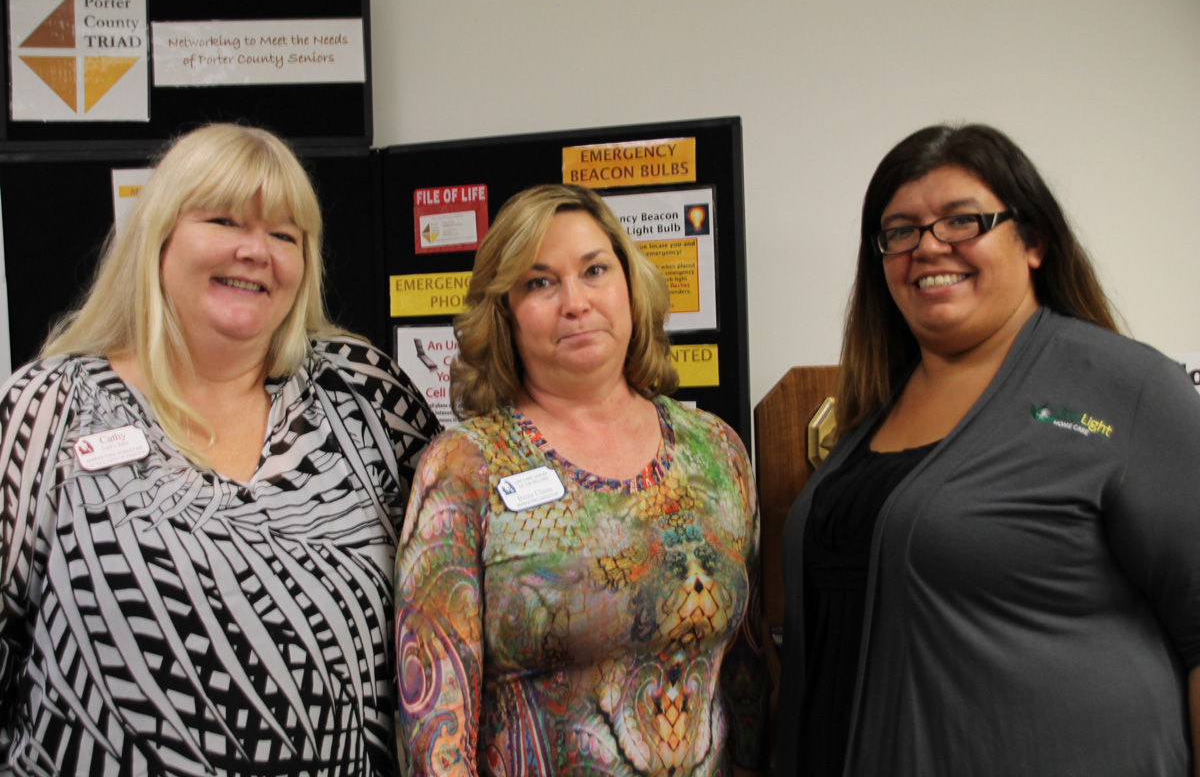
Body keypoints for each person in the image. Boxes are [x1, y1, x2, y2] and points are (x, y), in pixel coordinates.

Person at [0, 123, 442, 776]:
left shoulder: (368, 398)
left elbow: (464, 586)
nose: (255, 251)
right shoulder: (47, 408)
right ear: (160, 238)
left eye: (284, 235)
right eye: (225, 220)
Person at [775, 123, 1200, 776]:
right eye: (901, 231)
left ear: (1032, 241)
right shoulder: (869, 414)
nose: (927, 246)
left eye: (961, 221)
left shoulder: (1130, 389)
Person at [394, 184, 770, 775]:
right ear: (506, 312)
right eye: (539, 282)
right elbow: (433, 728)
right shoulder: (467, 467)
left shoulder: (718, 452)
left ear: (629, 284)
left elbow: (747, 681)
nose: (575, 301)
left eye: (594, 270)